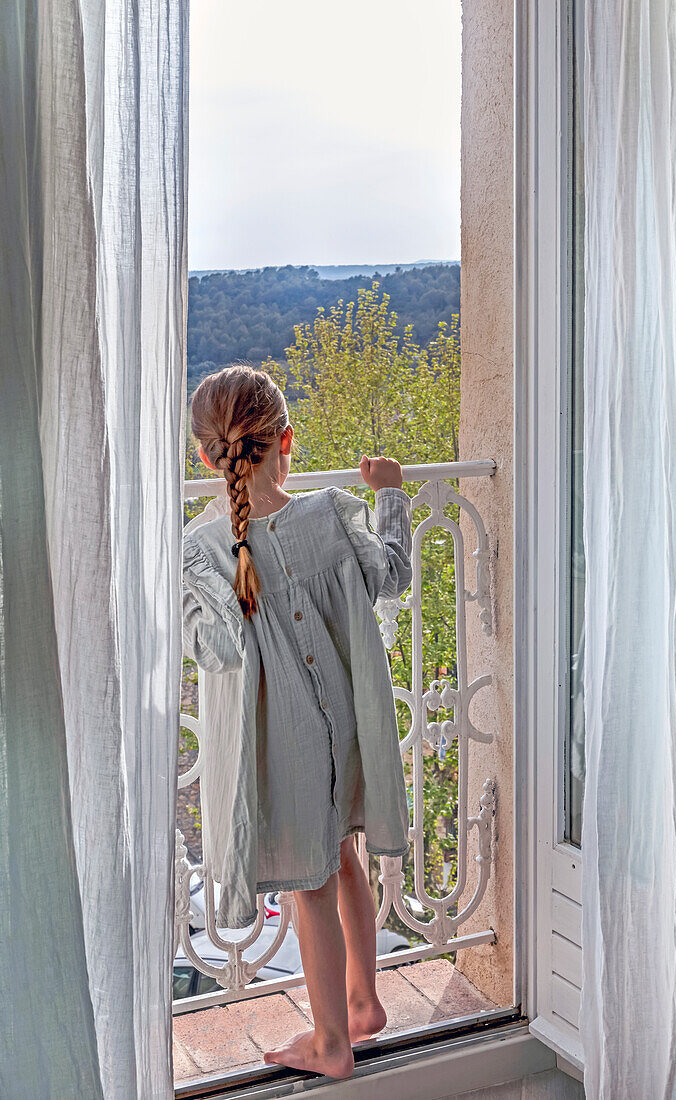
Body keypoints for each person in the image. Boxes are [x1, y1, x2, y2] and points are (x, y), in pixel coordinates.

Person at [182, 364, 412, 1079]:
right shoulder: (334, 515)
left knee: (310, 883)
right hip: (345, 725)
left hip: (286, 746)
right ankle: (366, 1003)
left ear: (205, 456)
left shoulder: (204, 547)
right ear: (288, 440)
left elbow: (211, 648)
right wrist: (392, 495)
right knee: (343, 855)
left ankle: (331, 1042)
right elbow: (395, 574)